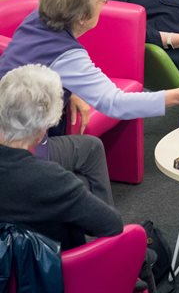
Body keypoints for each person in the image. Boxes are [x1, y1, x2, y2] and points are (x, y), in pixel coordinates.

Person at [0, 0, 179, 177]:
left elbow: (34, 65)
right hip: (19, 147)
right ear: (82, 17)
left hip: (8, 116)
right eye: (103, 0)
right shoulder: (68, 55)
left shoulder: (37, 18)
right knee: (91, 148)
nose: (105, 3)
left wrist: (67, 88)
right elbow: (114, 103)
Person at [0, 65, 123, 250]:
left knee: (82, 178)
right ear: (42, 131)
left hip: (9, 264)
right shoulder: (53, 180)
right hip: (54, 269)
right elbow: (113, 225)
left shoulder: (53, 180)